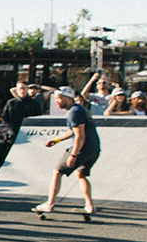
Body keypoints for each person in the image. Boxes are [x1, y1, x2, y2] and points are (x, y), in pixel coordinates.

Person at [34, 86, 99, 217]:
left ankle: (50, 204)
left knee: (57, 172)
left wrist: (74, 155)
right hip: (94, 148)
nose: (57, 102)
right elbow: (73, 131)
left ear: (68, 99)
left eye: (59, 99)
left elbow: (80, 136)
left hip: (82, 148)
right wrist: (56, 140)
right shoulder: (80, 110)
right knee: (81, 175)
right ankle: (89, 206)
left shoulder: (74, 112)